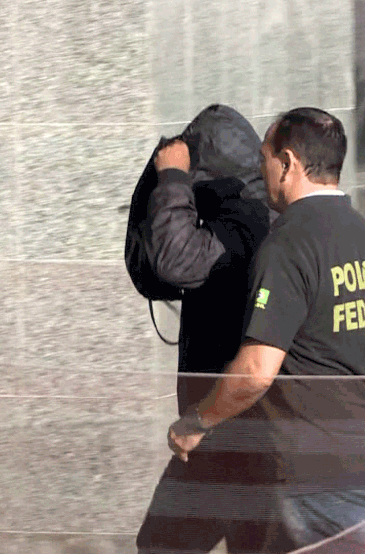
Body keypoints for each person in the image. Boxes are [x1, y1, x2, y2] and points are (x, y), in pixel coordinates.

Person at [168, 107, 365, 554]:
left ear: (289, 163)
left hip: (311, 467)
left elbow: (257, 371)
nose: (260, 170)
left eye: (264, 158)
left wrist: (196, 422)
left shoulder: (288, 244)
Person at [134, 104, 279, 554]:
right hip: (239, 435)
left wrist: (173, 179)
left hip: (230, 431)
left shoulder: (243, 226)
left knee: (163, 546)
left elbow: (173, 260)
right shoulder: (254, 219)